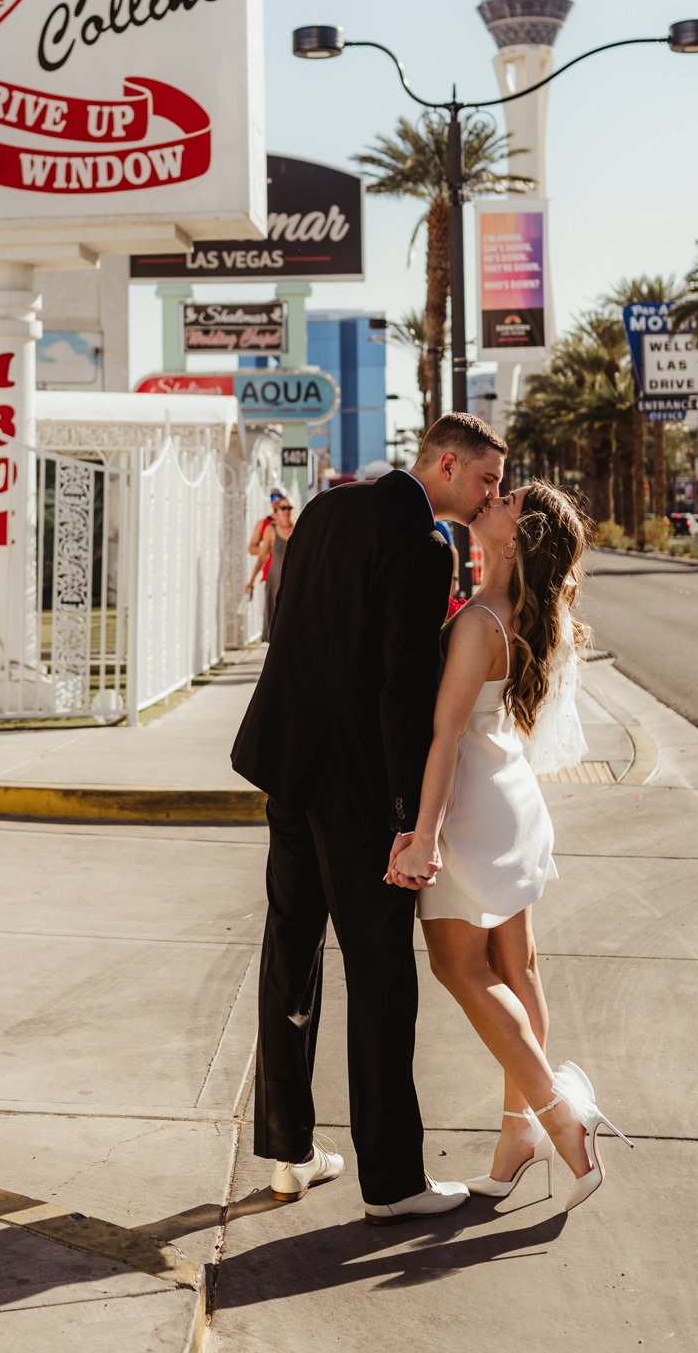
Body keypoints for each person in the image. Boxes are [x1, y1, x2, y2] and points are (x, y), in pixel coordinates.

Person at [231, 412, 507, 1223]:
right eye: (486, 479)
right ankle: (391, 1182)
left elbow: (292, 629)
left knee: (290, 954)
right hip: (357, 794)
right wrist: (405, 816)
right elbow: (400, 689)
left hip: (288, 770)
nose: (491, 493)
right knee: (382, 979)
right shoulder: (424, 546)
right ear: (448, 465)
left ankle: (288, 1153)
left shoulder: (327, 508)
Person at [390, 480, 633, 1212]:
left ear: (517, 537)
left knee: (458, 969)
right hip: (513, 801)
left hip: (469, 810)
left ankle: (561, 1120)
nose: (490, 498)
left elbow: (443, 734)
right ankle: (515, 1135)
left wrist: (422, 835)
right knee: (515, 967)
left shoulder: (477, 623)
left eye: (505, 500)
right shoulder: (533, 615)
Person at [246, 496, 296, 637]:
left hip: (294, 582)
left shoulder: (299, 529)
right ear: (277, 511)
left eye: (289, 508)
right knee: (277, 622)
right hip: (275, 581)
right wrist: (251, 582)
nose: (286, 511)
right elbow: (261, 556)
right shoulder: (270, 530)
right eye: (283, 508)